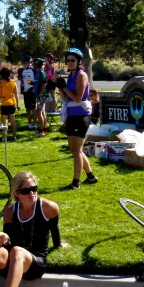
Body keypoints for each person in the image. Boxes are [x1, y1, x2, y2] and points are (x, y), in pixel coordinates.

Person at [55, 48, 98, 189]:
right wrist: (60, 88)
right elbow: (66, 99)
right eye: (68, 60)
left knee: (77, 151)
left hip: (81, 116)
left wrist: (65, 87)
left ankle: (75, 182)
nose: (70, 62)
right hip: (72, 115)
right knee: (74, 150)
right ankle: (90, 176)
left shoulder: (81, 75)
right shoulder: (71, 76)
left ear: (79, 61)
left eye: (73, 60)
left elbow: (78, 98)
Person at [0, 67, 19, 141]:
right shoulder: (13, 83)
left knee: (4, 122)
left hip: (3, 103)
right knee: (13, 121)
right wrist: (18, 104)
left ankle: (4, 137)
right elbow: (16, 95)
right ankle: (14, 136)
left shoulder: (0, 83)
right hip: (12, 103)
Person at [20, 55, 37, 129]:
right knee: (27, 109)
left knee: (33, 108)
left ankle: (35, 124)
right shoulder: (22, 70)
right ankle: (29, 124)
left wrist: (29, 82)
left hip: (32, 91)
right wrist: (22, 88)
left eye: (25, 62)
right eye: (23, 63)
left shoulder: (33, 70)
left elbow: (35, 82)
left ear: (29, 62)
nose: (24, 64)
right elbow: (22, 81)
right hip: (25, 92)